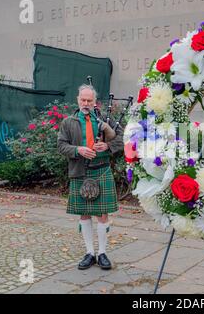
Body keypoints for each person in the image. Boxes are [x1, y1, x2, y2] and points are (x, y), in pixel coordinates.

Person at [57, 84, 118, 271]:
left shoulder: (106, 120)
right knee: (84, 213)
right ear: (78, 100)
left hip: (101, 169)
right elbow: (61, 146)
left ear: (94, 102)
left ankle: (102, 253)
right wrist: (78, 150)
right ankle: (90, 253)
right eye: (82, 100)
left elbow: (122, 139)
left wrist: (108, 146)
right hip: (80, 171)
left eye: (89, 101)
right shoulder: (68, 122)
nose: (85, 103)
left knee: (102, 214)